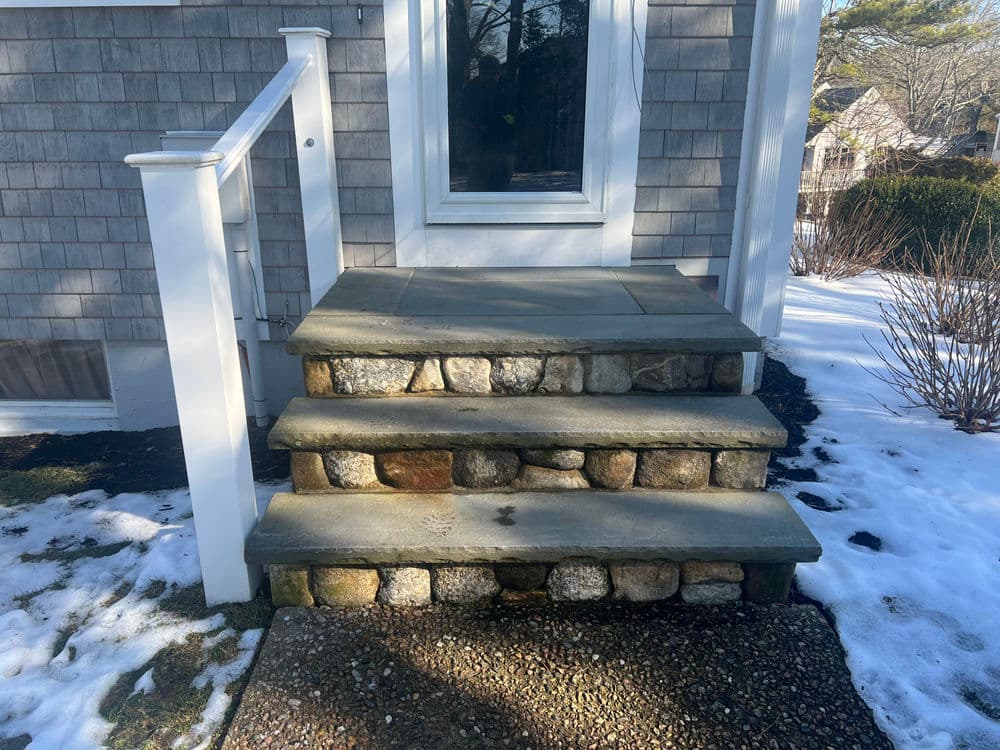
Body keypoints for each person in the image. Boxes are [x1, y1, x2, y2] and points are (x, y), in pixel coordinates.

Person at [461, 55, 516, 191]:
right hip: (478, 149)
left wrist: (501, 121)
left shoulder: (508, 90)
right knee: (476, 192)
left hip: (504, 148)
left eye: (492, 74)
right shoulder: (471, 90)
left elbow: (515, 118)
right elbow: (464, 117)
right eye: (485, 73)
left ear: (498, 73)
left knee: (500, 192)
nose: (488, 78)